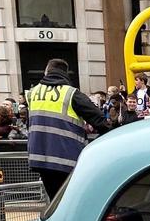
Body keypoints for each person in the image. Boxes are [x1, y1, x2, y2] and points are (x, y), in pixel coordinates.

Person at [25, 57, 110, 195]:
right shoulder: (71, 93)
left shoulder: (32, 93)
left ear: (47, 71)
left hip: (39, 157)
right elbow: (100, 120)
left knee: (55, 202)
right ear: (65, 73)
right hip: (66, 158)